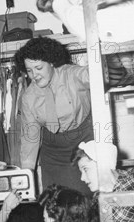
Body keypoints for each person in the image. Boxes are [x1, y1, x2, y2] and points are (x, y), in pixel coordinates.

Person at [14, 36, 93, 194]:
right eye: (29, 70)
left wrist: (109, 68)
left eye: (38, 68)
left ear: (51, 62)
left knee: (85, 197)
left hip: (83, 142)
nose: (34, 75)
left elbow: (91, 75)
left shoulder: (71, 74)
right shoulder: (28, 97)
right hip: (54, 151)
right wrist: (26, 174)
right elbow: (30, 138)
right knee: (56, 200)